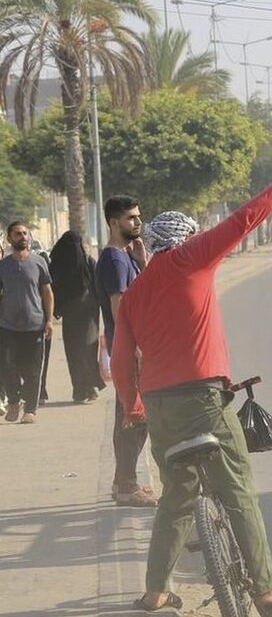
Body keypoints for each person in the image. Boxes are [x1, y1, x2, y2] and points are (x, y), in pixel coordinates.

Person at [112, 135, 272, 617]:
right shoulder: (193, 258)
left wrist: (131, 407)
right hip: (205, 397)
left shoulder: (136, 292)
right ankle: (267, 589)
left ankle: (155, 592)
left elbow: (120, 357)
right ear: (186, 238)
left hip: (159, 406)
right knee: (236, 487)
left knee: (176, 499)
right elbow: (245, 219)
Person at [96, 195, 158, 507]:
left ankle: (123, 482)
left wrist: (143, 262)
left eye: (138, 216)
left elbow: (144, 294)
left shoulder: (125, 256)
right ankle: (126, 485)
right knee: (133, 418)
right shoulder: (114, 260)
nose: (137, 222)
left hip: (132, 348)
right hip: (129, 349)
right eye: (131, 218)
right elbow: (121, 309)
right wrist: (134, 353)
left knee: (133, 416)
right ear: (113, 223)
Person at [0, 221, 54, 424]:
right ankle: (13, 401)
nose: (22, 236)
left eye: (25, 233)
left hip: (34, 325)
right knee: (6, 365)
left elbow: (47, 292)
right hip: (7, 326)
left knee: (32, 370)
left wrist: (49, 320)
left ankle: (30, 409)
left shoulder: (39, 262)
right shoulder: (3, 266)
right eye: (17, 234)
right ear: (9, 238)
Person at [48, 231, 104, 404]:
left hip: (86, 315)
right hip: (78, 315)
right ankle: (82, 389)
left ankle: (87, 387)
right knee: (79, 352)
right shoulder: (60, 266)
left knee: (83, 351)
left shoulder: (86, 262)